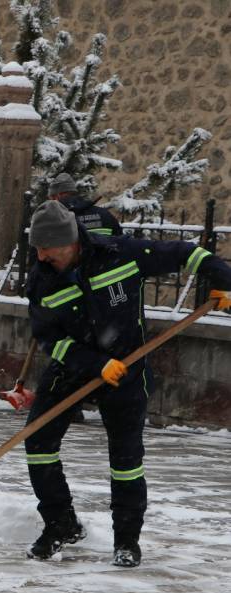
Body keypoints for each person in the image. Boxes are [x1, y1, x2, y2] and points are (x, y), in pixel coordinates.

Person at [23, 200, 231, 567]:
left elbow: (187, 252)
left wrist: (224, 281)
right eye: (36, 248)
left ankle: (126, 541)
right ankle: (61, 524)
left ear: (68, 242)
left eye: (45, 248)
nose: (39, 255)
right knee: (38, 443)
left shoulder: (121, 253)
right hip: (73, 368)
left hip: (127, 369)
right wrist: (95, 363)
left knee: (126, 459)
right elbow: (49, 338)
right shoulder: (41, 278)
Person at [48, 173, 123, 237]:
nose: (50, 202)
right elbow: (120, 242)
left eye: (51, 198)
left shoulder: (53, 219)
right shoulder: (104, 214)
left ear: (58, 195)